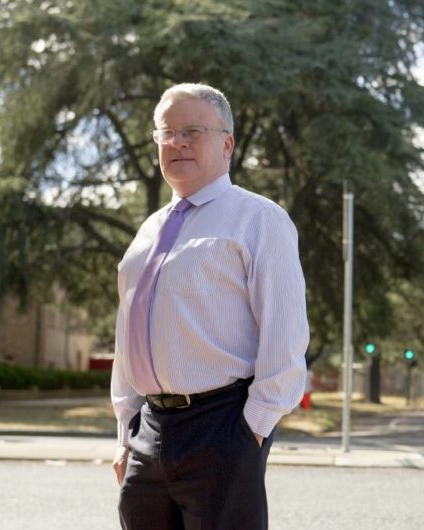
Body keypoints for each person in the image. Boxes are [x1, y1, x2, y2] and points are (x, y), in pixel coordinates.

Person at [110, 82, 309, 530]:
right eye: (167, 132)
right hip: (149, 431)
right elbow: (129, 334)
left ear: (227, 143)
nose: (177, 142)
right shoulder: (148, 232)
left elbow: (285, 335)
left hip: (222, 426)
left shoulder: (260, 219)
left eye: (192, 130)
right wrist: (126, 434)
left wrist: (250, 432)